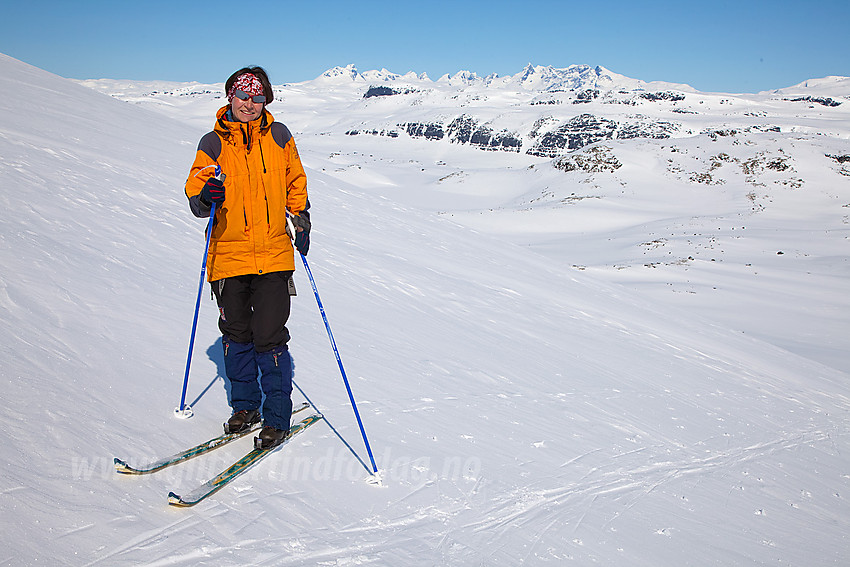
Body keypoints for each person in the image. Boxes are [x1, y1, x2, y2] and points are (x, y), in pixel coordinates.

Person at [184, 66, 311, 449]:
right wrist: (207, 195)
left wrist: (301, 218)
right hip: (228, 256)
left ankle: (276, 416)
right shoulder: (212, 142)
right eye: (243, 96)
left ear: (266, 100)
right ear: (230, 98)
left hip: (273, 255)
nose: (250, 104)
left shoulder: (279, 136)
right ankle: (245, 407)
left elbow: (295, 181)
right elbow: (195, 193)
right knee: (236, 337)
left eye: (258, 97)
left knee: (269, 338)